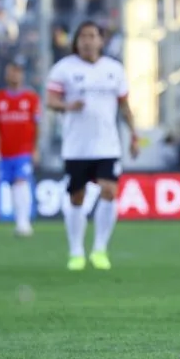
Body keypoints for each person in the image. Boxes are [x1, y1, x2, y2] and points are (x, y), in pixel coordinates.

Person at [46, 22, 139, 271]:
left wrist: (134, 134)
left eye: (92, 36)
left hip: (107, 145)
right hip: (76, 147)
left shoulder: (114, 70)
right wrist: (67, 106)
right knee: (77, 197)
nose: (87, 41)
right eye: (83, 36)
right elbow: (51, 101)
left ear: (101, 41)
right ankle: (76, 251)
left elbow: (124, 106)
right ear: (76, 42)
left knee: (110, 190)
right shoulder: (63, 69)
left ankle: (99, 249)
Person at [0, 62, 40, 237]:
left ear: (22, 75)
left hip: (24, 150)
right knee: (12, 185)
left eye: (17, 72)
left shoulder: (31, 98)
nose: (14, 76)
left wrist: (35, 148)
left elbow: (37, 126)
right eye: (11, 72)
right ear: (6, 75)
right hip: (5, 151)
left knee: (21, 181)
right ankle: (20, 220)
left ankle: (24, 223)